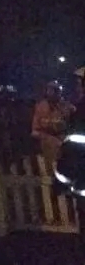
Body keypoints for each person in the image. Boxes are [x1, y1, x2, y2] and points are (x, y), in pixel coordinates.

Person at [55, 67, 85, 199]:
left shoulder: (81, 112)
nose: (78, 89)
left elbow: (73, 149)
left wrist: (60, 182)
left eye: (79, 84)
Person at [33, 81, 71, 164]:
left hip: (64, 138)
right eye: (49, 90)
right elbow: (35, 129)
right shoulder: (41, 106)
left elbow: (71, 123)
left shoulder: (67, 106)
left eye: (54, 91)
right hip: (46, 139)